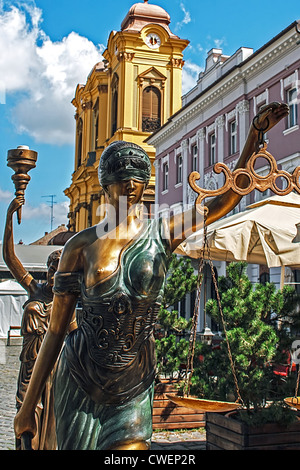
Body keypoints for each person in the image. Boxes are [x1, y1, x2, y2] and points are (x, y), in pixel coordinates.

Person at [14, 102, 289, 450]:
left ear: (144, 185)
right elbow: (56, 328)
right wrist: (28, 406)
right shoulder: (79, 246)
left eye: (137, 182)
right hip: (81, 380)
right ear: (106, 185)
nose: (130, 189)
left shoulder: (164, 231)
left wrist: (253, 136)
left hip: (133, 381)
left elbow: (225, 199)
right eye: (121, 182)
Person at [3, 198, 63, 450]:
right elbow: (10, 258)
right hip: (29, 372)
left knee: (50, 434)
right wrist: (9, 219)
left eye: (58, 270)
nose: (53, 274)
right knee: (25, 427)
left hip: (55, 373)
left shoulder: (65, 305)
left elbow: (75, 337)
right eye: (51, 268)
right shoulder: (34, 290)